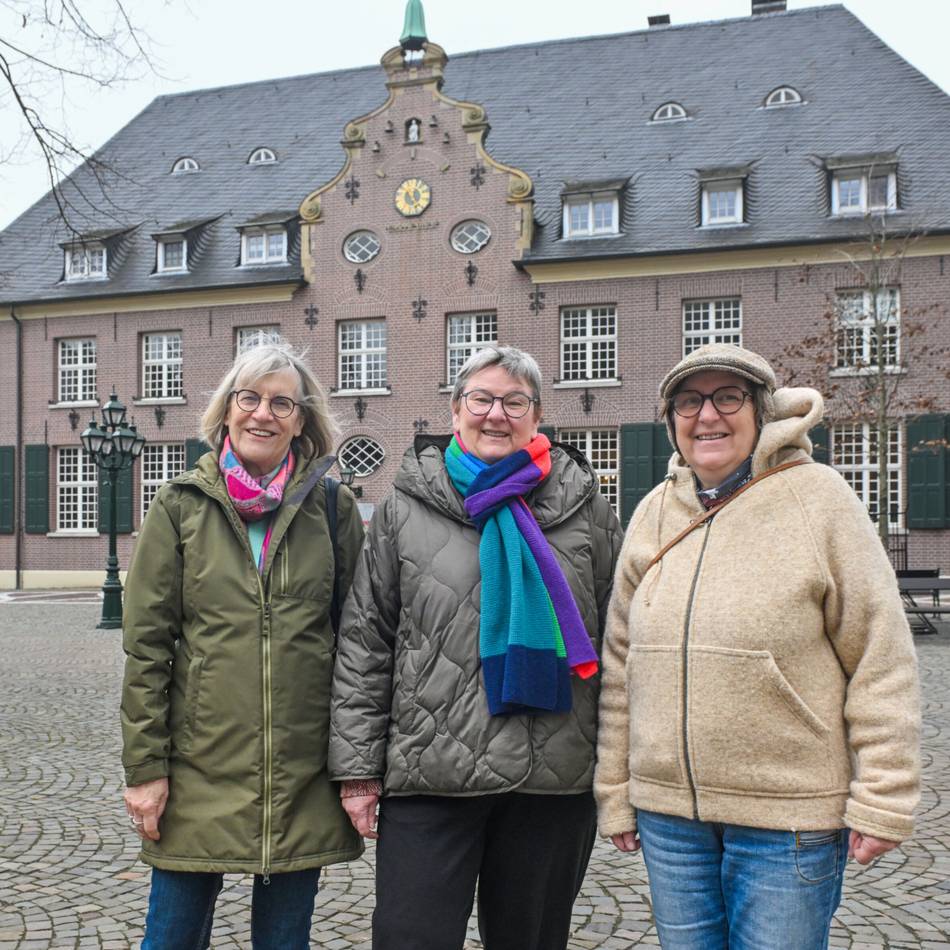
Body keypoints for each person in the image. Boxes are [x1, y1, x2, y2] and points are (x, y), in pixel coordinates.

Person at [594, 342, 921, 950]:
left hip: (787, 819)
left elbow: (881, 657)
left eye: (728, 397)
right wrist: (617, 791)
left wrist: (884, 794)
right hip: (671, 822)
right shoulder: (652, 512)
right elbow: (621, 664)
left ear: (762, 411)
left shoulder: (820, 499)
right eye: (689, 401)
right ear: (671, 421)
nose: (707, 416)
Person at [329, 345, 623, 950]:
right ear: (456, 410)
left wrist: (621, 769)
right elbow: (367, 643)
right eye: (482, 399)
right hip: (429, 774)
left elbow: (618, 641)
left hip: (552, 776)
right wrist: (358, 772)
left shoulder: (585, 508)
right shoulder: (404, 509)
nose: (497, 414)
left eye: (515, 402)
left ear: (537, 416)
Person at [120, 341, 364, 950]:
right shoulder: (180, 505)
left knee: (285, 943)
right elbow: (148, 647)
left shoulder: (333, 508)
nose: (263, 413)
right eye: (249, 398)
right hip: (197, 766)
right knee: (171, 939)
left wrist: (357, 766)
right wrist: (146, 767)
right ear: (227, 411)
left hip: (300, 770)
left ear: (302, 421)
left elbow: (359, 646)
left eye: (282, 403)